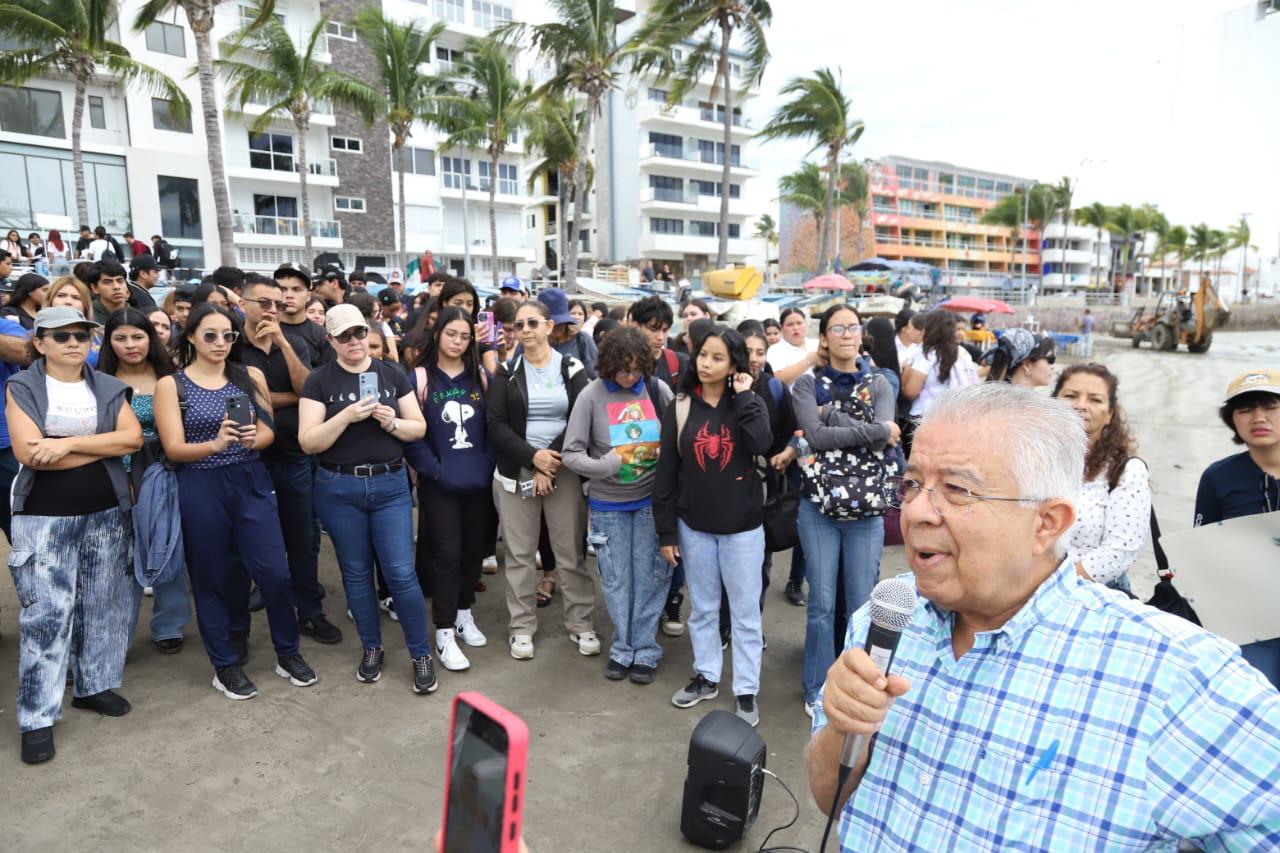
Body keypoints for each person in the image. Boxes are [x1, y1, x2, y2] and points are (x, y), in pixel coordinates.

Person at [807, 382, 1280, 851]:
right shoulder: (886, 617)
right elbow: (832, 803)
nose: (916, 513)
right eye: (912, 484)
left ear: (1048, 522)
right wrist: (844, 730)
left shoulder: (1178, 678)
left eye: (955, 489)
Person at [154, 302, 318, 700]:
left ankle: (287, 652)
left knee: (275, 573)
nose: (220, 343)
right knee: (211, 577)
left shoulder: (251, 375)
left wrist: (248, 438)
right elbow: (173, 448)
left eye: (228, 335)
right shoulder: (171, 385)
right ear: (190, 336)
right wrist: (215, 443)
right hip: (200, 483)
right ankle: (224, 664)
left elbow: (267, 433)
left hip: (250, 478)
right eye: (209, 335)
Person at [6, 306, 142, 764]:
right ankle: (37, 717)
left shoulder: (105, 385)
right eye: (60, 336)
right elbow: (29, 453)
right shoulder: (23, 386)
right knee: (46, 615)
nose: (72, 343)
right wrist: (99, 446)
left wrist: (64, 443)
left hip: (106, 510)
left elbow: (133, 439)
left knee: (104, 605)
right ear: (39, 343)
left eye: (81, 335)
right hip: (44, 515)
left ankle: (94, 687)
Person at [298, 305, 435, 693]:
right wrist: (346, 416)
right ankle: (371, 648)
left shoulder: (391, 373)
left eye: (358, 332)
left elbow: (418, 428)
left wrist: (391, 421)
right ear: (331, 341)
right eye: (344, 336)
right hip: (338, 487)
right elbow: (308, 442)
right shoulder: (319, 380)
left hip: (390, 485)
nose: (354, 341)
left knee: (401, 573)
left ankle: (420, 652)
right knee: (356, 575)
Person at [655, 325, 773, 727]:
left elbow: (761, 444)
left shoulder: (748, 402)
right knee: (702, 608)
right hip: (694, 526)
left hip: (742, 528)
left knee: (744, 614)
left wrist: (744, 396)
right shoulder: (682, 404)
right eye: (703, 354)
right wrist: (667, 531)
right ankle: (706, 676)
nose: (706, 363)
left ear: (734, 364)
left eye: (718, 357)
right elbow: (666, 471)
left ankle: (745, 690)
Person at [792, 305, 899, 719]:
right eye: (838, 328)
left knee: (860, 603)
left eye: (853, 327)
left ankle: (856, 686)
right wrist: (870, 429)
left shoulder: (881, 383)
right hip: (818, 506)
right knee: (820, 605)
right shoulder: (806, 385)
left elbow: (885, 442)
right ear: (824, 337)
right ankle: (816, 686)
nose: (847, 334)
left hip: (868, 510)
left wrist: (833, 417)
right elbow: (815, 438)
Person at [486, 299, 597, 661]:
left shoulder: (572, 366)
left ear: (549, 326)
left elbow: (583, 417)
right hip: (516, 471)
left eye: (533, 323)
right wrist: (532, 459)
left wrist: (549, 463)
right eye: (519, 325)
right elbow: (496, 425)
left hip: (562, 470)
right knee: (519, 555)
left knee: (570, 553)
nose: (526, 331)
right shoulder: (506, 371)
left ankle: (581, 623)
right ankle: (521, 627)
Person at [562, 326, 673, 683]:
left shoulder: (658, 391)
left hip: (650, 504)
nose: (630, 376)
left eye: (637, 369)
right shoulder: (591, 396)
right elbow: (570, 454)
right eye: (623, 370)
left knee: (651, 578)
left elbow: (677, 440)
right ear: (608, 366)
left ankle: (645, 648)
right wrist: (604, 467)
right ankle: (622, 648)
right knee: (615, 580)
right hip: (609, 506)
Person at [238, 277, 340, 644]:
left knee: (303, 541)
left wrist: (281, 342)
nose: (270, 310)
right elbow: (241, 397)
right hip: (250, 460)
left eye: (277, 304)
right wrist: (288, 398)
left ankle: (309, 612)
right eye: (263, 302)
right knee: (253, 542)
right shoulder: (231, 345)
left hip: (295, 460)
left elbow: (310, 390)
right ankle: (247, 621)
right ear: (242, 302)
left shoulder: (293, 342)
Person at [404, 307, 495, 672]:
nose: (457, 341)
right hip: (439, 484)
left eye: (464, 335)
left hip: (478, 482)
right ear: (438, 334)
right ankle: (443, 631)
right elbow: (413, 434)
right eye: (451, 333)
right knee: (445, 555)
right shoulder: (420, 378)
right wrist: (433, 470)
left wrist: (485, 466)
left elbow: (493, 428)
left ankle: (462, 612)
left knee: (473, 551)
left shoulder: (482, 378)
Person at [98, 307, 192, 654]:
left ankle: (169, 623)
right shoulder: (97, 379)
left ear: (150, 338)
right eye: (120, 338)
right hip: (113, 473)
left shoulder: (170, 377)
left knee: (168, 547)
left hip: (162, 471)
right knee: (120, 557)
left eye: (138, 336)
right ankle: (117, 633)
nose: (130, 345)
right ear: (109, 342)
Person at [1195, 369, 1280, 687]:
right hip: (1247, 623)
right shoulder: (1218, 478)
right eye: (1245, 409)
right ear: (1233, 419)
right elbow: (1200, 554)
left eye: (1270, 406)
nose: (1259, 417)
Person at [1051, 363, 1149, 594]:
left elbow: (1118, 553)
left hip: (1088, 595)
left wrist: (1049, 588)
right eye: (1071, 396)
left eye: (1095, 400)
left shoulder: (1125, 472)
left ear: (1109, 415)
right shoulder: (1029, 460)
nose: (1081, 406)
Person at [627, 294, 690, 632]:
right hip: (628, 471)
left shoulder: (677, 363)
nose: (659, 336)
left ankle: (672, 600)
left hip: (672, 468)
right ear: (632, 323)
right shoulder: (616, 362)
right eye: (653, 328)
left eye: (665, 329)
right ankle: (640, 609)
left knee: (672, 537)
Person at [900, 310, 977, 454]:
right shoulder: (963, 353)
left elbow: (911, 392)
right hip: (955, 421)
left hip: (924, 421)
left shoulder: (928, 355)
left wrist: (906, 370)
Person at [538, 288, 598, 379]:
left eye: (560, 322)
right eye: (551, 323)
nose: (556, 326)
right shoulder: (531, 341)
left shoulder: (582, 340)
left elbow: (596, 376)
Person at [47, 276, 103, 367]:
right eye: (61, 295)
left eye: (76, 298)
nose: (68, 301)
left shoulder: (101, 335)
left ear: (86, 305)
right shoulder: (35, 335)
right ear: (50, 301)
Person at [982, 327, 1055, 386]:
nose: (1053, 366)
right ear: (1027, 365)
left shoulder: (994, 398)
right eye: (1050, 360)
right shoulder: (1019, 403)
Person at [768, 307, 819, 386]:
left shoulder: (817, 344)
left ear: (806, 324)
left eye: (799, 323)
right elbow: (778, 379)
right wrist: (808, 361)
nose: (795, 328)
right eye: (790, 324)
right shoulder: (775, 350)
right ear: (781, 328)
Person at [87, 260, 130, 325]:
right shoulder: (87, 317)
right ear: (95, 288)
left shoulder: (139, 315)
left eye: (120, 281)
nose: (116, 287)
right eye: (107, 282)